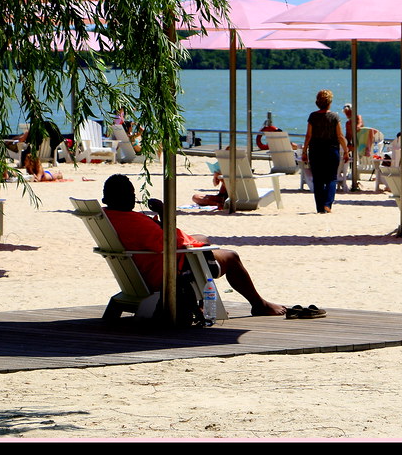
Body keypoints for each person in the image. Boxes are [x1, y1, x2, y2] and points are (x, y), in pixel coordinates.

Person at [101, 174, 288, 317]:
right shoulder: (136, 222)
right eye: (133, 194)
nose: (135, 198)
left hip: (140, 267)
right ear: (129, 196)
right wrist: (164, 212)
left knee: (202, 238)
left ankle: (199, 303)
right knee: (231, 256)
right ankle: (259, 304)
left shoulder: (108, 217)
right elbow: (175, 243)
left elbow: (161, 239)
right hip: (167, 269)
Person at [302, 89, 349, 213]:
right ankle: (327, 204)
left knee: (317, 180)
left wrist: (304, 151)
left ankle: (319, 207)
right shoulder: (334, 117)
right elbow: (340, 136)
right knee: (331, 178)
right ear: (330, 102)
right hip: (331, 150)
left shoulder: (313, 116)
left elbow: (308, 136)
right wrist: (346, 151)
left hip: (315, 151)